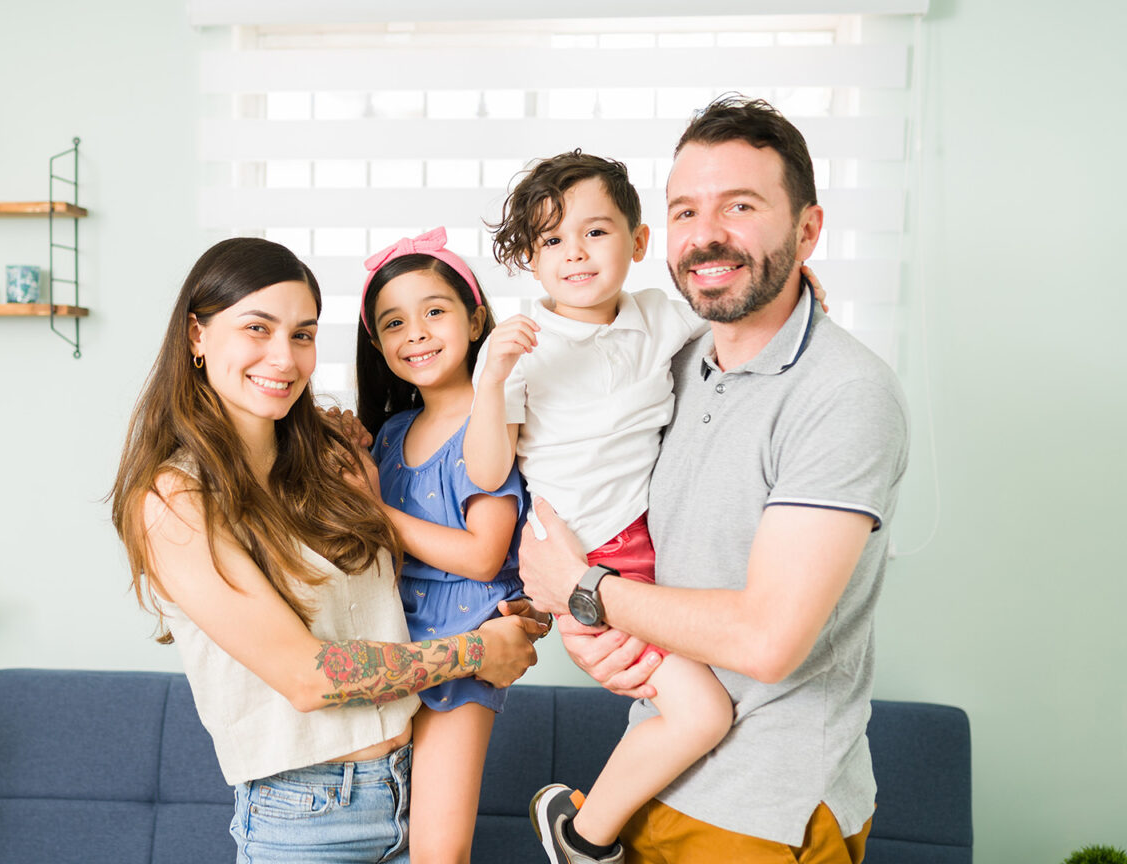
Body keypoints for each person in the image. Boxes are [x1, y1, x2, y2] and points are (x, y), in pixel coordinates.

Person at [518, 96, 910, 864]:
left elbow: (765, 640)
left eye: (740, 206)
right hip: (654, 787)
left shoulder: (843, 391)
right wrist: (592, 630)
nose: (707, 235)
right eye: (686, 211)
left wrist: (585, 590)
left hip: (763, 810)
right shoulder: (676, 364)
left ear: (807, 231)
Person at [110, 237, 544, 863]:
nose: (283, 358)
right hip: (306, 821)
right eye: (256, 329)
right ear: (196, 336)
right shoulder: (176, 500)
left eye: (303, 334)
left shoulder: (331, 455)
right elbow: (310, 677)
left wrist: (512, 608)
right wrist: (477, 650)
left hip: (410, 787)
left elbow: (423, 571)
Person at [462, 151, 734, 864]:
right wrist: (488, 381)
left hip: (654, 553)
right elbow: (488, 469)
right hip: (585, 566)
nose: (574, 254)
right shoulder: (526, 345)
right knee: (704, 711)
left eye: (595, 233)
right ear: (529, 258)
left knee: (708, 692)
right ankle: (582, 836)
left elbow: (735, 329)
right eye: (551, 240)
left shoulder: (657, 317)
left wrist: (805, 294)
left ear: (639, 242)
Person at [352, 227, 529, 864]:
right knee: (381, 834)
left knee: (437, 852)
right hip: (392, 648)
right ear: (377, 342)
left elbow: (484, 555)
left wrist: (376, 510)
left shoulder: (492, 419)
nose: (417, 333)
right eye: (394, 323)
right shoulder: (393, 431)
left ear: (475, 317)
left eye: (435, 311)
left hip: (466, 653)